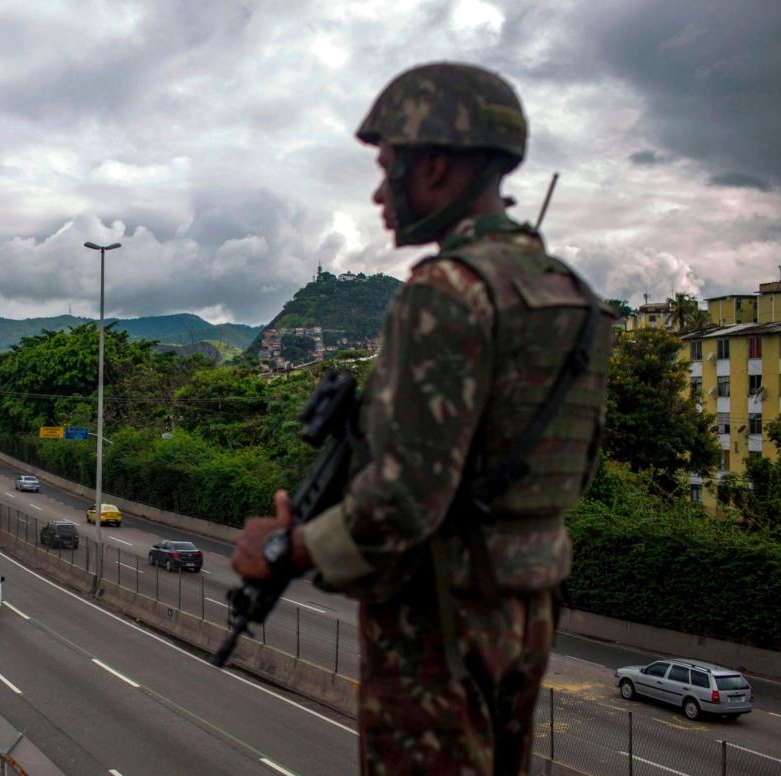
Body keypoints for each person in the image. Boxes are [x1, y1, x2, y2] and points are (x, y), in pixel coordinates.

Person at [231, 62, 615, 775]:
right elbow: (571, 468)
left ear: (435, 165)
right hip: (527, 610)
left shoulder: (446, 293)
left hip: (440, 619)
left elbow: (403, 501)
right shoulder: (575, 299)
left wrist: (286, 547)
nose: (380, 192)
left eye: (387, 168)